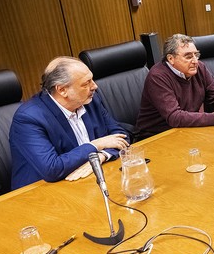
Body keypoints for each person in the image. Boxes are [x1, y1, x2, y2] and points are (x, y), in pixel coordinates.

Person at [10, 57, 130, 190]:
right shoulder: (29, 118)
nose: (95, 86)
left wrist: (102, 156)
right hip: (42, 193)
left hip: (89, 181)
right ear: (62, 90)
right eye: (86, 83)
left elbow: (121, 135)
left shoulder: (90, 100)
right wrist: (96, 145)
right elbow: (52, 169)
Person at [135, 34, 214, 140]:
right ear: (171, 58)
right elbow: (174, 117)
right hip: (156, 137)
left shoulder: (199, 67)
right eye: (188, 56)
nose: (195, 61)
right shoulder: (158, 76)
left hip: (185, 130)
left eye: (196, 55)